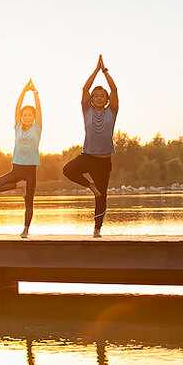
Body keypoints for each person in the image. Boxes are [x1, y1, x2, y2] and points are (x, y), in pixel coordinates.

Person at [63, 55, 118, 237]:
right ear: (92, 99)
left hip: (104, 162)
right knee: (68, 169)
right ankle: (90, 185)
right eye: (96, 95)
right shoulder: (87, 110)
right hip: (87, 157)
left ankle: (97, 230)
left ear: (107, 99)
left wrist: (105, 71)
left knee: (101, 197)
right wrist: (95, 70)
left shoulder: (112, 110)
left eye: (103, 95)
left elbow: (115, 88)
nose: (99, 97)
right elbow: (85, 88)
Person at [0, 79, 42, 238]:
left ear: (34, 116)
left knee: (29, 203)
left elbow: (39, 108)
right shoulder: (17, 127)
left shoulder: (37, 128)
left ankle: (26, 230)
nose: (27, 116)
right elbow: (17, 107)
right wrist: (23, 91)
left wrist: (34, 93)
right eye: (25, 114)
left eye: (30, 114)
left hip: (30, 170)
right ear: (21, 116)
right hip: (17, 169)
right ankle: (20, 185)